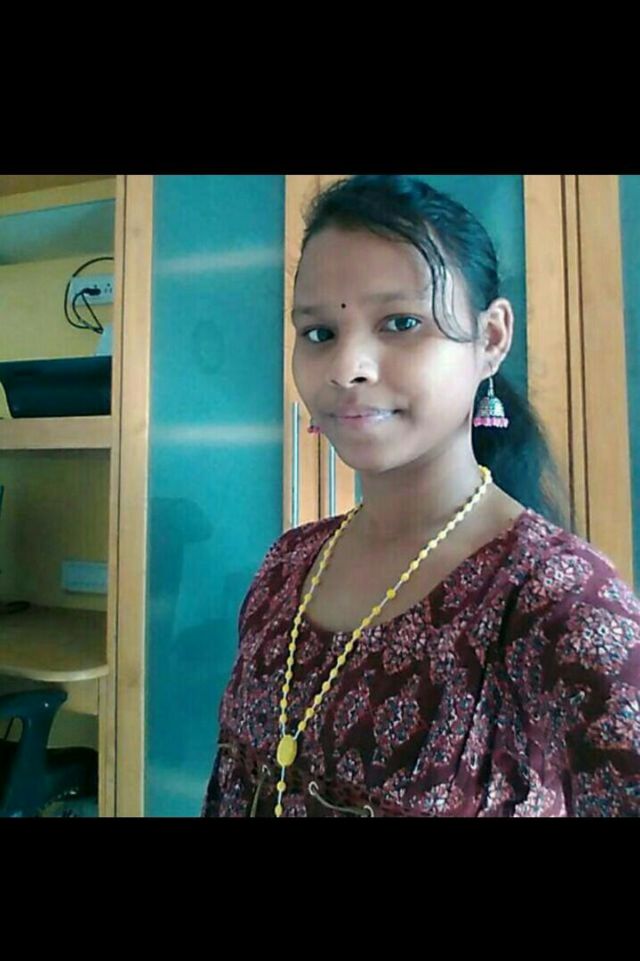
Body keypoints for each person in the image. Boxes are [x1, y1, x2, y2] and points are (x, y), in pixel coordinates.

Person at [202, 175, 640, 817]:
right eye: (319, 333)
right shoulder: (285, 566)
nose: (347, 367)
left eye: (402, 323)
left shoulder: (555, 600)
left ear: (491, 339)